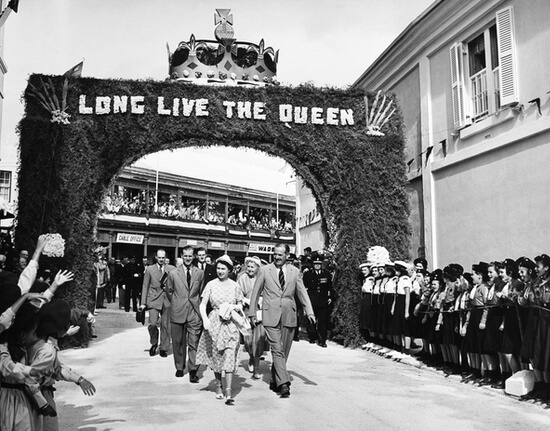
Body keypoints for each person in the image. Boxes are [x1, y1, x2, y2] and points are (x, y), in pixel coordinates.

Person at [248, 243, 315, 398]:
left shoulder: (295, 272)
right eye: (275, 254)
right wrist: (252, 313)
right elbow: (256, 292)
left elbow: (302, 293)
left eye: (280, 254)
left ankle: (274, 379)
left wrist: (309, 312)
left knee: (284, 351)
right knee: (277, 349)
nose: (277, 257)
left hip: (289, 315)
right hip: (270, 315)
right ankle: (284, 384)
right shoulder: (265, 271)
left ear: (287, 255)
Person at [197, 255, 244, 405]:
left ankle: (228, 390)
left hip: (231, 323)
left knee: (230, 353)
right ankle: (218, 385)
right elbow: (203, 304)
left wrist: (234, 307)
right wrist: (205, 319)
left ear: (229, 270)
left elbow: (240, 304)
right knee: (217, 356)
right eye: (218, 268)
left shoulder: (235, 286)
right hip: (215, 322)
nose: (220, 271)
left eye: (223, 269)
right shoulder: (211, 284)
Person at [165, 246, 204, 382]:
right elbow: (169, 291)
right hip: (178, 310)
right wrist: (177, 302)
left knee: (194, 342)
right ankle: (179, 367)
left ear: (194, 256)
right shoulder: (173, 273)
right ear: (182, 256)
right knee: (178, 341)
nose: (188, 258)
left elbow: (201, 291)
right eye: (185, 256)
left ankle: (193, 370)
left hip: (194, 311)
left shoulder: (199, 273)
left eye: (190, 256)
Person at [139, 249, 175, 357]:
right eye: (159, 257)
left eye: (163, 258)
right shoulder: (150, 269)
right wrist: (143, 302)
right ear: (156, 257)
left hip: (167, 300)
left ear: (165, 258)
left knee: (166, 325)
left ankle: (164, 348)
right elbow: (145, 286)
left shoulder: (171, 269)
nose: (161, 260)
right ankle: (154, 343)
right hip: (153, 299)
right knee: (153, 323)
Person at [236, 256, 266, 379]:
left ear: (258, 268)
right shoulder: (242, 278)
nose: (249, 269)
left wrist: (260, 300)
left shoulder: (262, 278)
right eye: (248, 266)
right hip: (246, 311)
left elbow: (267, 292)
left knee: (258, 340)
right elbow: (237, 294)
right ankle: (251, 357)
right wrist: (246, 300)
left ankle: (257, 368)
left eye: (252, 267)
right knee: (248, 341)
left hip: (259, 312)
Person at [303, 257, 333, 347]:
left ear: (321, 265)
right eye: (315, 264)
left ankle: (322, 340)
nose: (317, 266)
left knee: (323, 320)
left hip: (323, 300)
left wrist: (330, 296)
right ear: (313, 265)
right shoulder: (308, 274)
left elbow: (330, 287)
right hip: (312, 299)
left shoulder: (326, 274)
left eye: (319, 264)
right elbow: (304, 288)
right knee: (312, 319)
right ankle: (312, 336)